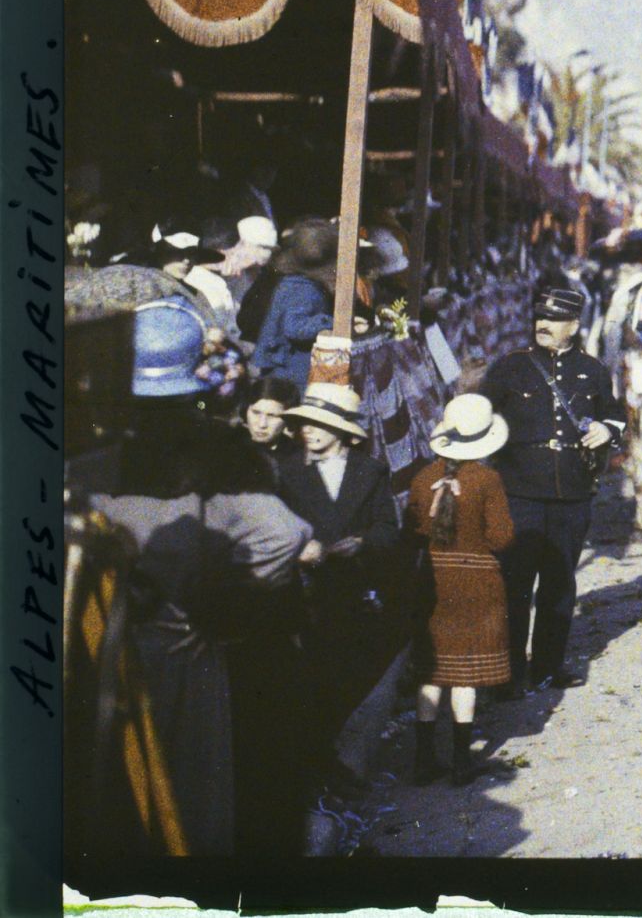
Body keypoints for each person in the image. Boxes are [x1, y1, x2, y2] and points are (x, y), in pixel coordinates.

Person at [80, 296, 314, 857]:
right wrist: (223, 606)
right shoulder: (222, 456)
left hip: (95, 647)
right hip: (182, 647)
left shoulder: (90, 456)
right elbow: (284, 536)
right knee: (189, 796)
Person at [480, 283, 623, 695]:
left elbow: (614, 415)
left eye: (555, 319)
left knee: (559, 582)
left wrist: (604, 429)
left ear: (574, 326)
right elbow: (481, 415)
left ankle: (547, 667)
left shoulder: (593, 370)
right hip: (520, 489)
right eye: (540, 317)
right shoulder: (511, 367)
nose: (544, 325)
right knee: (515, 583)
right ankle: (505, 674)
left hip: (571, 492)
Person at [274, 381, 403, 790]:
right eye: (304, 424)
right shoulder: (287, 472)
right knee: (313, 679)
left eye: (319, 425)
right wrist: (297, 547)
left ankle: (343, 764)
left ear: (342, 430)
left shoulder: (370, 470)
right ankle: (321, 766)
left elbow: (388, 528)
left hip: (355, 590)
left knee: (352, 676)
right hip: (307, 593)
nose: (308, 432)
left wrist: (362, 543)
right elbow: (272, 528)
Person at [406, 395, 516, 786]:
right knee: (465, 674)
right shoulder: (487, 480)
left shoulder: (421, 478)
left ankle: (422, 758)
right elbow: (502, 537)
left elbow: (413, 532)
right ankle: (460, 760)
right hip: (476, 584)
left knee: (431, 672)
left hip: (432, 584)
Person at [248, 219, 339, 387]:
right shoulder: (304, 288)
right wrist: (332, 322)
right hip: (290, 367)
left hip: (284, 363)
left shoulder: (293, 281)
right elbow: (295, 328)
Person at [235, 375, 302, 472]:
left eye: (272, 416)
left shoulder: (297, 458)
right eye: (256, 413)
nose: (262, 424)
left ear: (287, 419)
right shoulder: (228, 448)